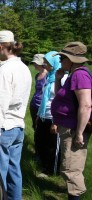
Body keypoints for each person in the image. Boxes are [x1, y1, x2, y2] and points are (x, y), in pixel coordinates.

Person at [0, 30, 32, 199]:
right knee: (14, 171)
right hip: (18, 128)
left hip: (3, 129)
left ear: (1, 46)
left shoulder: (5, 70)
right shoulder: (25, 68)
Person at [51, 42, 91, 200]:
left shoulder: (80, 75)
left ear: (72, 59)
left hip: (74, 129)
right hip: (69, 127)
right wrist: (57, 79)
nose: (60, 61)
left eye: (62, 57)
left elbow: (86, 105)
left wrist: (79, 133)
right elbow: (60, 96)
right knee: (68, 167)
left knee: (72, 170)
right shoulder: (72, 74)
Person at [35, 51, 62, 176]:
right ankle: (45, 167)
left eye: (47, 62)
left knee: (52, 146)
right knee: (41, 142)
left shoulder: (62, 78)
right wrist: (38, 116)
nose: (44, 64)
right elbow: (44, 98)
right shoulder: (50, 77)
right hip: (43, 116)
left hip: (53, 117)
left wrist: (56, 121)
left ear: (55, 63)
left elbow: (61, 102)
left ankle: (52, 171)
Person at [29, 54, 47, 131]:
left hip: (43, 105)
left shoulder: (48, 75)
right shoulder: (37, 75)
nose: (34, 65)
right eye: (34, 63)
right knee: (35, 126)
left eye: (36, 63)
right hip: (34, 104)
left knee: (42, 127)